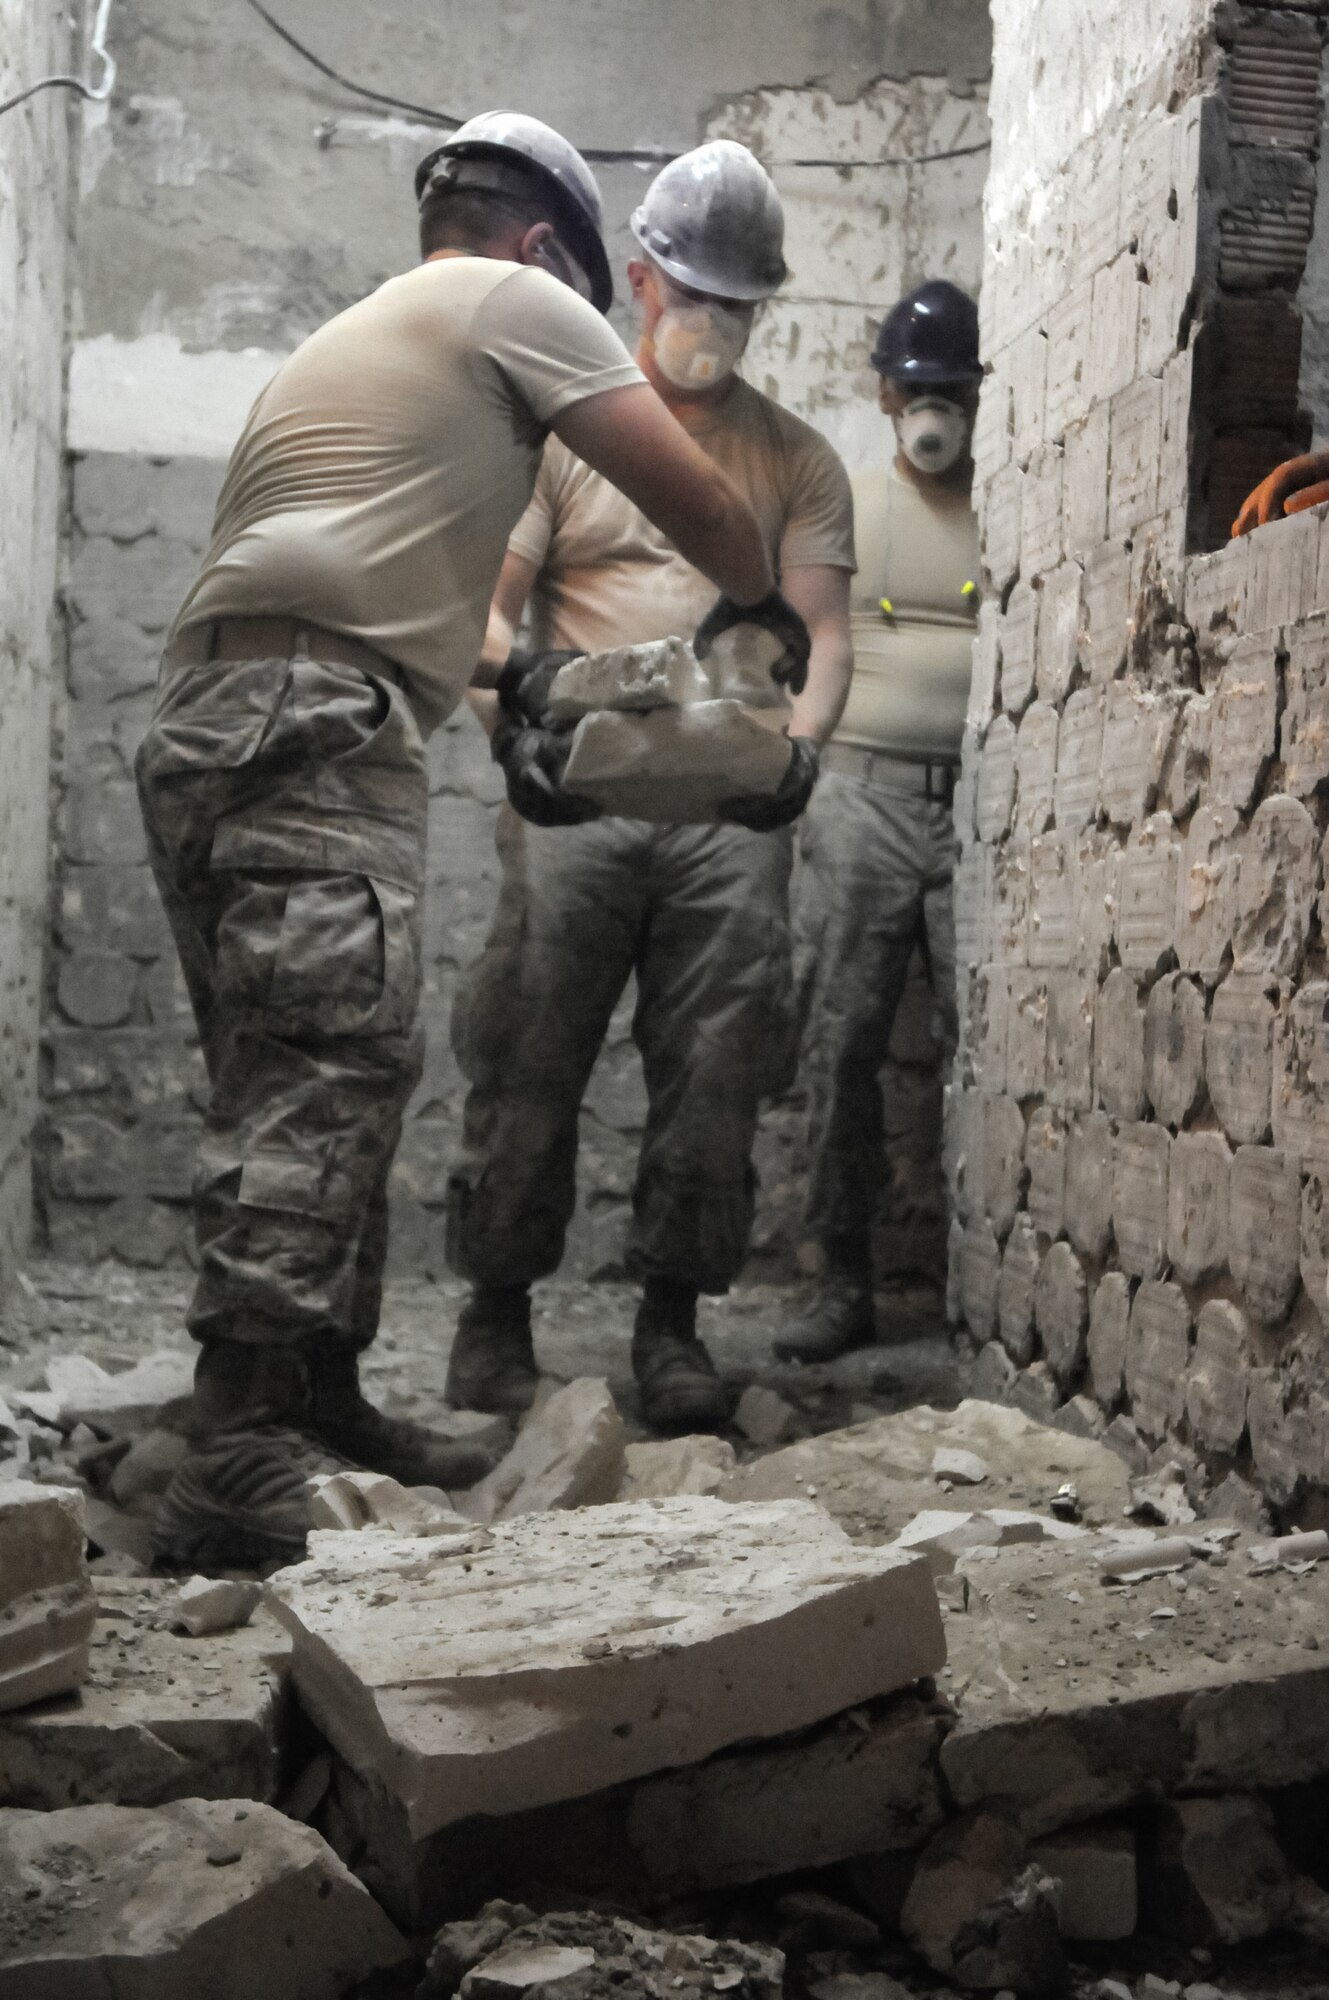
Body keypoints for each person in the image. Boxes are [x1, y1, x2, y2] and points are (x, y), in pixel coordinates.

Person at [133, 112, 810, 1566]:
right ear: (541, 246)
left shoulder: (378, 328)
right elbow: (705, 515)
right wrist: (757, 595)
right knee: (321, 1077)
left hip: (223, 714)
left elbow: (437, 613)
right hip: (313, 714)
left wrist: (538, 696)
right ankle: (239, 1446)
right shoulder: (515, 303)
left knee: (318, 1065)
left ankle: (313, 1396)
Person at [444, 141, 855, 1433]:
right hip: (580, 805)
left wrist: (802, 756)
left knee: (716, 1070)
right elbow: (486, 618)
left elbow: (824, 636)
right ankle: (493, 1322)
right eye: (693, 298)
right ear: (638, 281)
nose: (711, 329)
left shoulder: (794, 461)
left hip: (725, 821)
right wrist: (509, 740)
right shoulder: (572, 440)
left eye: (737, 306)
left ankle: (671, 1326)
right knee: (527, 1051)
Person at [774, 280, 982, 1364]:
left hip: (980, 818)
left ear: (974, 396)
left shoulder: (1013, 504)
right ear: (885, 392)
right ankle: (833, 1277)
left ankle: (985, 1283)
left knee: (983, 1050)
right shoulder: (841, 505)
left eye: (950, 389)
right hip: (858, 797)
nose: (933, 409)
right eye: (916, 388)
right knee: (841, 1038)